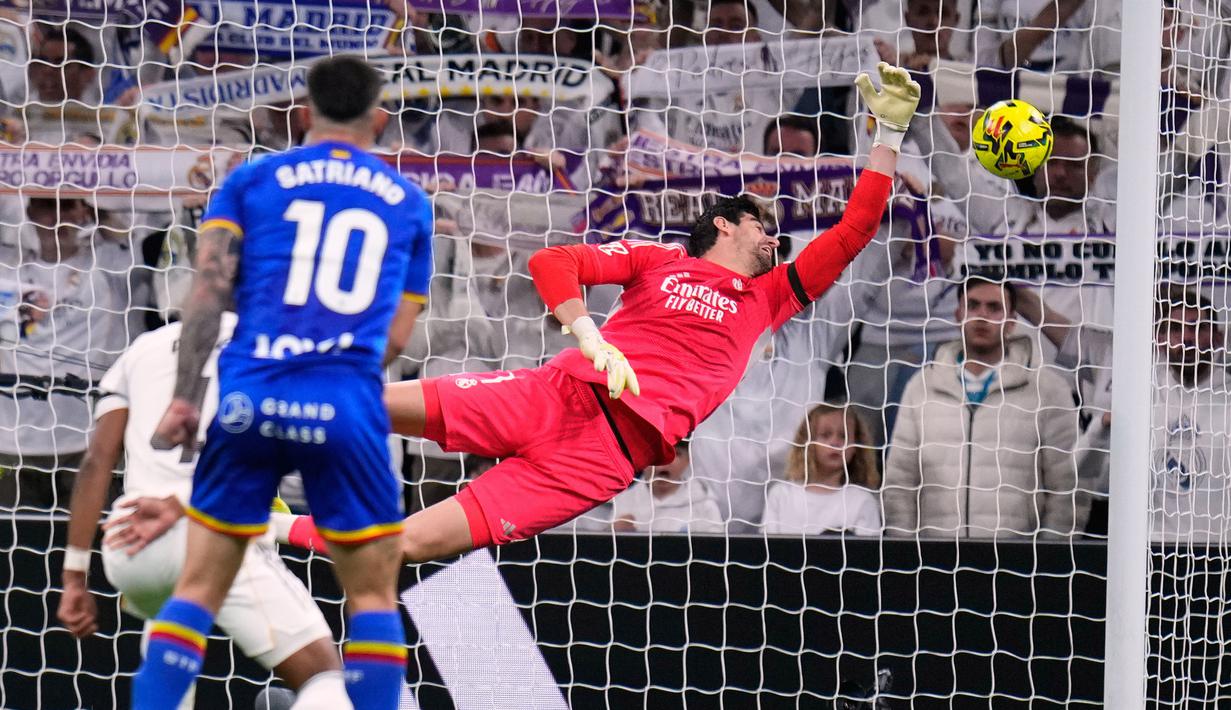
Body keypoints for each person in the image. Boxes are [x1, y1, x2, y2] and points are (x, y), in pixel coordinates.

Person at [276, 63, 921, 565]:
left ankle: (274, 526)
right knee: (365, 401)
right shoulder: (657, 259)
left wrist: (888, 137)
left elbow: (856, 228)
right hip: (549, 394)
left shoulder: (770, 297)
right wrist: (589, 335)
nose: (775, 239)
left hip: (601, 457)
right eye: (763, 226)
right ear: (724, 223)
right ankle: (238, 431)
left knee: (410, 545)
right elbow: (553, 263)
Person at [129, 55, 433, 710]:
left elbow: (207, 292)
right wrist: (333, 373)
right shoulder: (409, 202)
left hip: (249, 399)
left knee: (197, 592)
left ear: (303, 115)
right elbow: (400, 339)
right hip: (346, 405)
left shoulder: (251, 181)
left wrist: (185, 399)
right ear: (379, 119)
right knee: (373, 598)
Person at [56, 314, 349, 709]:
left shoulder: (140, 349)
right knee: (323, 676)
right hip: (210, 532)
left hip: (130, 544)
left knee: (170, 655)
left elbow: (96, 461)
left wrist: (74, 576)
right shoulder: (267, 344)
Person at [882, 276, 1085, 539]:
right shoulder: (922, 386)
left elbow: (1068, 486)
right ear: (958, 314)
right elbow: (899, 480)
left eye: (994, 308)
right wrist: (907, 556)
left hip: (1018, 567)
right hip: (935, 563)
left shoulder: (1048, 390)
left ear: (1011, 321)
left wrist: (1048, 561)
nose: (982, 316)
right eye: (973, 306)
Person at [762, 403, 882, 536]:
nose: (835, 442)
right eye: (825, 435)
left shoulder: (862, 501)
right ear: (807, 442)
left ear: (855, 446)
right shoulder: (781, 495)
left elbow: (869, 554)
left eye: (844, 436)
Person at [611, 441, 723, 534]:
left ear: (688, 461)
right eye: (654, 454)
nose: (664, 463)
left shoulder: (703, 501)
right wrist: (614, 532)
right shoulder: (624, 501)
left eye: (675, 454)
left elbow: (716, 550)